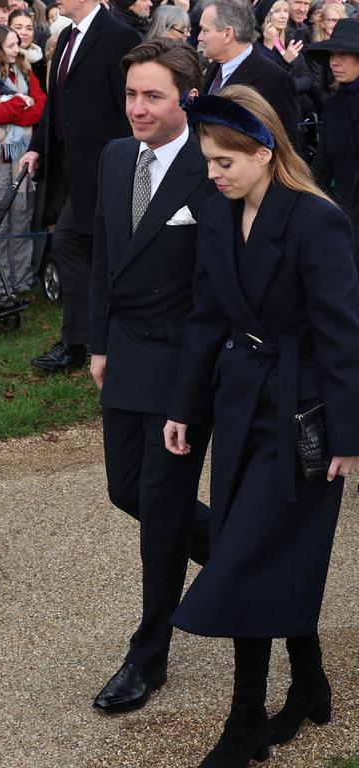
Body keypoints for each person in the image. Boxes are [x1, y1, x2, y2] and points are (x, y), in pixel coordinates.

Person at [163, 85, 359, 765]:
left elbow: (342, 337)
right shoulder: (217, 218)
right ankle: (308, 682)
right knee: (267, 549)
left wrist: (347, 435)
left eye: (223, 162)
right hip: (240, 403)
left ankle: (246, 719)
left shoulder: (315, 221)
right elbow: (206, 318)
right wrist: (184, 407)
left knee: (248, 555)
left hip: (303, 413)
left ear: (266, 152)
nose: (211, 175)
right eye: (208, 161)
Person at [88, 38, 216, 716]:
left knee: (162, 511)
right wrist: (98, 342)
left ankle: (147, 658)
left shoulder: (213, 164)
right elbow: (106, 253)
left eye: (153, 96)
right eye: (132, 94)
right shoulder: (115, 157)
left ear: (186, 98)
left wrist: (199, 378)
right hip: (127, 351)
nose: (137, 108)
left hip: (186, 361)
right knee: (125, 490)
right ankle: (237, 553)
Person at [21, 0, 140, 373]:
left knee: (84, 249)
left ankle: (90, 343)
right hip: (73, 173)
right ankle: (83, 342)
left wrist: (129, 166)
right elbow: (59, 104)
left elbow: (131, 106)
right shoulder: (69, 36)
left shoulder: (119, 35)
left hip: (108, 170)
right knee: (76, 247)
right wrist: (37, 148)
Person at [0, 23, 44, 297]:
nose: (18, 48)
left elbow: (40, 106)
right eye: (12, 45)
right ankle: (0, 284)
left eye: (18, 44)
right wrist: (19, 100)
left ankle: (22, 281)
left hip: (23, 155)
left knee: (21, 218)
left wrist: (12, 103)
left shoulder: (25, 71)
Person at [198, 0, 299, 144]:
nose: (199, 37)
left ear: (227, 34)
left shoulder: (274, 79)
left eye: (205, 30)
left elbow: (287, 143)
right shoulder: (215, 68)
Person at [309, 17, 359, 262]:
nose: (334, 62)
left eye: (343, 54)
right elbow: (322, 163)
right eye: (331, 55)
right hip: (346, 219)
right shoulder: (333, 106)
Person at [9, 10, 45, 100]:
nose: (24, 33)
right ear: (8, 29)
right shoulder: (0, 59)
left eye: (29, 28)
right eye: (18, 27)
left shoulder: (43, 60)